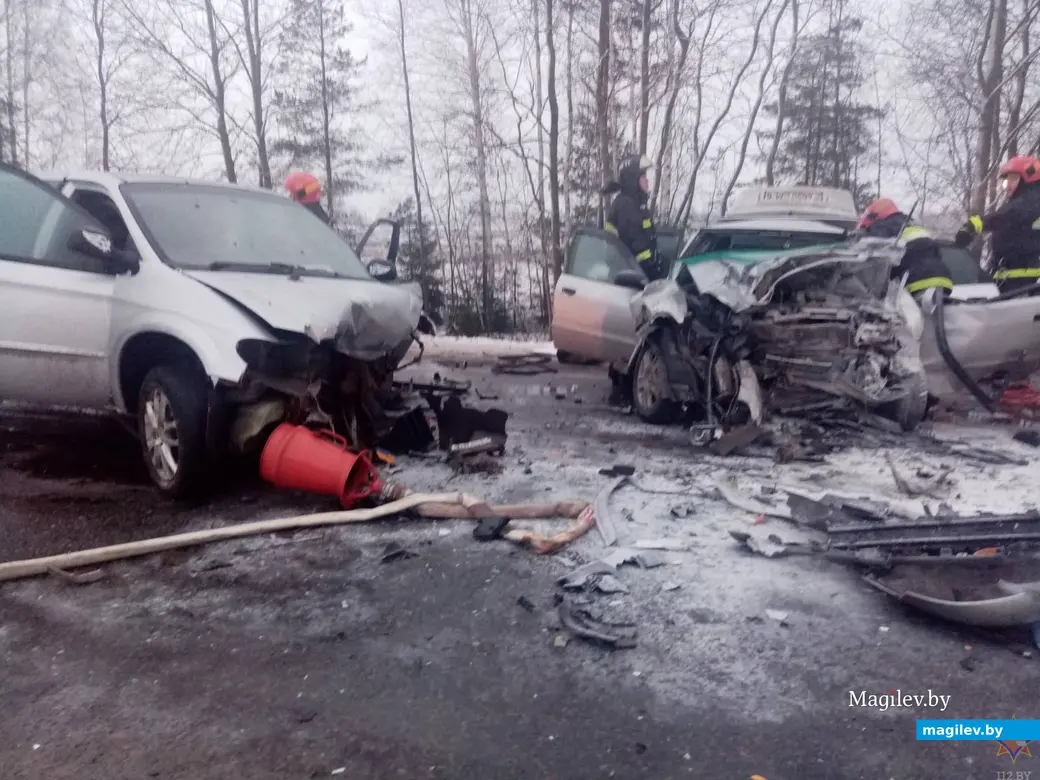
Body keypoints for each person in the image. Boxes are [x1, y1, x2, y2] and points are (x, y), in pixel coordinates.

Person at [955, 155, 1040, 294]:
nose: (1008, 185)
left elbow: (1009, 215)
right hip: (1015, 277)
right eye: (1006, 180)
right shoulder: (1021, 202)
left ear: (1027, 178)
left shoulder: (1032, 201)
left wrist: (975, 224)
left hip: (1024, 281)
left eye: (1013, 179)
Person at [855, 198, 952, 297]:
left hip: (915, 281)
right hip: (944, 280)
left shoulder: (881, 226)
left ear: (873, 217)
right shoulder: (913, 225)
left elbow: (871, 260)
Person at [602, 154, 665, 281]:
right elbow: (635, 247)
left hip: (636, 274)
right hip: (629, 278)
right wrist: (655, 268)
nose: (647, 181)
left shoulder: (637, 204)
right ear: (633, 180)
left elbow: (647, 240)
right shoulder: (626, 206)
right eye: (643, 177)